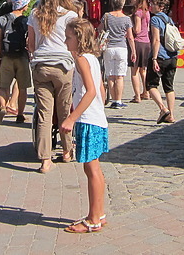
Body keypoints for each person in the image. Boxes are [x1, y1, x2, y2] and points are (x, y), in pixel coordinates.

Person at [60, 18, 108, 233]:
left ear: (78, 39)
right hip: (97, 119)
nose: (65, 40)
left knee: (91, 169)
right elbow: (102, 91)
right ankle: (99, 213)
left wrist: (72, 117)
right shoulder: (93, 59)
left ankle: (93, 219)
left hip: (88, 120)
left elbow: (90, 91)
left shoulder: (81, 60)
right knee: (94, 169)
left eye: (68, 37)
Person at [27, 0, 78, 173]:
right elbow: (74, 43)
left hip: (41, 65)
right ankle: (66, 151)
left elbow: (31, 45)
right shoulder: (70, 15)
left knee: (43, 113)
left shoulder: (35, 14)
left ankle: (45, 159)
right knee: (64, 110)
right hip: (63, 66)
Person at [0, 0, 32, 124]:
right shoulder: (27, 21)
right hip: (22, 56)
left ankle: (2, 107)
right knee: (22, 88)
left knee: (3, 86)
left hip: (7, 57)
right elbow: (29, 41)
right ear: (23, 6)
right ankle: (20, 114)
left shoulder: (3, 19)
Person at [99, 0, 136, 108]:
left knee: (110, 76)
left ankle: (113, 100)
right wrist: (133, 51)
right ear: (123, 4)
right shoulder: (126, 19)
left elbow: (100, 29)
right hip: (121, 48)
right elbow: (130, 37)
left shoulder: (106, 16)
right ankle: (118, 100)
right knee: (119, 76)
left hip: (109, 48)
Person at [147, 0, 179, 124]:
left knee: (151, 85)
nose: (151, 6)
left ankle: (163, 108)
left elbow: (155, 40)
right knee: (169, 87)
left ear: (160, 6)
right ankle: (171, 115)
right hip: (172, 56)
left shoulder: (155, 19)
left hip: (160, 56)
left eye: (153, 4)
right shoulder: (169, 19)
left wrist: (154, 58)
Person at [129, 0, 151, 102]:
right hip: (146, 42)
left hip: (138, 42)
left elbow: (137, 30)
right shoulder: (147, 12)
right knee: (144, 70)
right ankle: (146, 92)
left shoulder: (138, 13)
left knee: (134, 71)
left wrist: (129, 27)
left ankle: (137, 96)